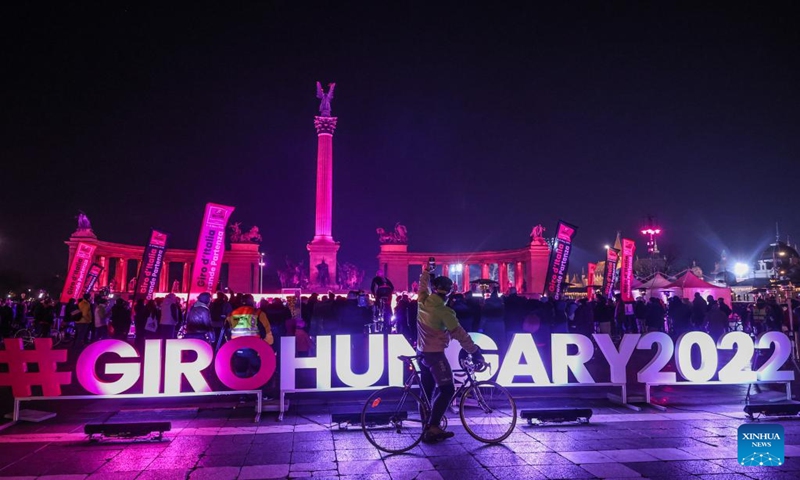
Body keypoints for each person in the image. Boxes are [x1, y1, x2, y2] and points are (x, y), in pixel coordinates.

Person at [416, 265, 484, 443]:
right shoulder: (445, 311)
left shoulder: (422, 301)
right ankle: (433, 427)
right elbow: (459, 333)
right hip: (435, 354)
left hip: (422, 352)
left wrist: (426, 272)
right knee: (447, 390)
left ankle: (426, 427)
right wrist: (474, 351)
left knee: (427, 391)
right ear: (448, 294)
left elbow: (422, 287)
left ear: (434, 289)